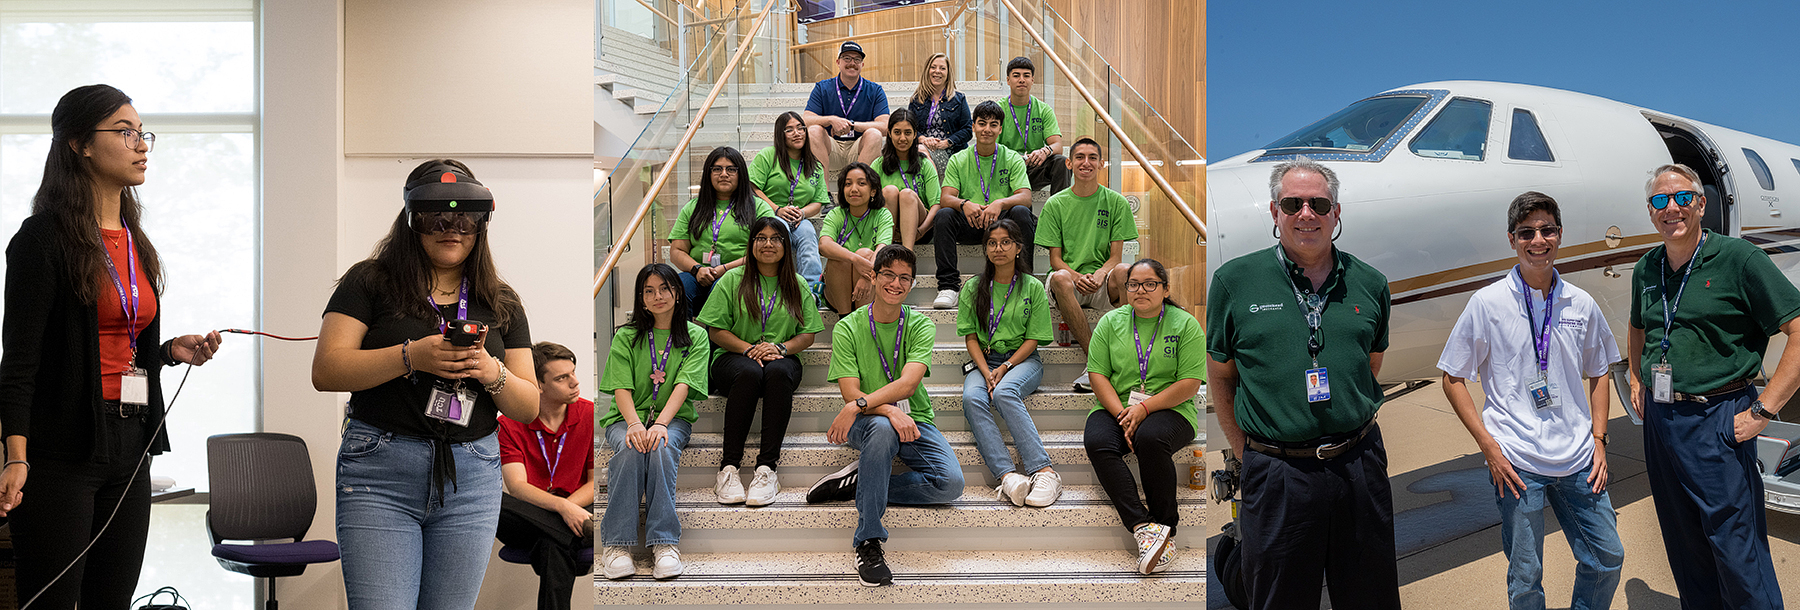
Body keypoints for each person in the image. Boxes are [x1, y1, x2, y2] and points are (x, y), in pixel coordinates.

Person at [0, 84, 224, 609]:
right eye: (124, 132)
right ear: (78, 143)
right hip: (62, 450)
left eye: (142, 132)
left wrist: (167, 351)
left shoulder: (134, 239)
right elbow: (19, 363)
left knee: (112, 601)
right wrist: (16, 457)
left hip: (131, 444)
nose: (140, 144)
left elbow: (119, 341)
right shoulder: (41, 239)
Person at [313, 158, 539, 608]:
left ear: (481, 226)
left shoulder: (501, 300)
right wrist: (411, 355)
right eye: (435, 216)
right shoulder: (370, 281)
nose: (450, 227)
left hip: (471, 475)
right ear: (411, 222)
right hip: (380, 472)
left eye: (464, 218)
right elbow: (327, 370)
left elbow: (529, 405)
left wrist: (490, 371)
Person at [1206, 156, 1398, 609]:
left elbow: (1370, 362)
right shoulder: (1235, 281)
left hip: (1359, 465)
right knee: (1280, 599)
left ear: (1336, 214)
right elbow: (1222, 373)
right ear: (1275, 213)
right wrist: (1243, 449)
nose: (1306, 214)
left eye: (1318, 204)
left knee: (1371, 595)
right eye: (1293, 203)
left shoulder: (1370, 283)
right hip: (1278, 473)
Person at [1438, 191, 1624, 610]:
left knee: (1607, 557)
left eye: (1546, 230)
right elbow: (1452, 378)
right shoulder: (1487, 303)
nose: (1537, 240)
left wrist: (1599, 440)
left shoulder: (1581, 302)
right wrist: (1490, 449)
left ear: (1560, 235)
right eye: (1527, 233)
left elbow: (1599, 371)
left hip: (1578, 457)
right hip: (1517, 461)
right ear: (1512, 239)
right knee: (1525, 576)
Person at [1628, 163, 1794, 608]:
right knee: (1684, 544)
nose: (1672, 208)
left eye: (1683, 197)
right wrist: (1635, 375)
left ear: (1702, 204)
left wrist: (1764, 409)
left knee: (1736, 548)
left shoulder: (1740, 259)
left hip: (1719, 417)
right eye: (1660, 200)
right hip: (1663, 421)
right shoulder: (1647, 268)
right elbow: (1638, 327)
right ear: (1650, 211)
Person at [805, 245, 964, 587]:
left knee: (950, 484)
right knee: (880, 428)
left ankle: (864, 483)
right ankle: (868, 540)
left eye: (904, 277)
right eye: (888, 275)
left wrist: (863, 404)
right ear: (873, 277)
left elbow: (908, 383)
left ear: (911, 283)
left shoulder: (920, 325)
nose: (896, 283)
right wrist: (885, 409)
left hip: (914, 418)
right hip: (867, 422)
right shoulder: (848, 327)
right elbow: (851, 394)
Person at [1082, 258, 1203, 575]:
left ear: (1164, 289)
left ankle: (1166, 525)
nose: (1141, 290)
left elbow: (1189, 383)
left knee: (1150, 438)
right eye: (1133, 284)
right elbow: (1097, 375)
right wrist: (1124, 414)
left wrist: (1145, 408)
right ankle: (1143, 527)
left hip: (1171, 409)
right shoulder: (1110, 323)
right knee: (1097, 441)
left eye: (1150, 284)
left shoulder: (1184, 324)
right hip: (1116, 406)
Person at [698, 217, 825, 506]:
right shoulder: (732, 279)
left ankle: (767, 469)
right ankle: (728, 469)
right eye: (761, 238)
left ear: (786, 245)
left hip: (782, 357)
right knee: (750, 373)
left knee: (778, 372)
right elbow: (715, 330)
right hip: (733, 358)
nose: (768, 244)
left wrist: (780, 347)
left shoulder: (797, 284)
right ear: (751, 243)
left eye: (776, 238)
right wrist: (749, 350)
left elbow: (807, 335)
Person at [596, 264, 710, 581]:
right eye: (649, 290)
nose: (658, 296)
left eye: (665, 288)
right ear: (641, 298)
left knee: (659, 446)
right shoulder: (626, 335)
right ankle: (617, 545)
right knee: (632, 449)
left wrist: (659, 424)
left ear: (678, 292)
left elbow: (683, 386)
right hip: (626, 417)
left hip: (672, 420)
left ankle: (665, 543)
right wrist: (634, 424)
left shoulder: (696, 335)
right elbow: (621, 387)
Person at [956, 220, 1060, 506]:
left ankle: (1044, 470)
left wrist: (1005, 368)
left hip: (1022, 360)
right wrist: (987, 369)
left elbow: (1033, 340)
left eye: (1005, 242)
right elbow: (971, 339)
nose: (998, 248)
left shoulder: (1032, 287)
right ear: (985, 249)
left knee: (1004, 392)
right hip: (985, 361)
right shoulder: (974, 287)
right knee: (971, 397)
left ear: (1018, 248)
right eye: (992, 242)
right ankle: (1008, 477)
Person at [495, 342, 597, 610]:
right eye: (562, 378)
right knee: (489, 499)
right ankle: (580, 533)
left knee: (553, 542)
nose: (575, 382)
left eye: (573, 373)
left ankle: (563, 532)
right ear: (538, 385)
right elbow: (516, 487)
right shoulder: (509, 423)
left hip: (577, 511)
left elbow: (593, 482)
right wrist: (562, 510)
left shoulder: (589, 414)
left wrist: (570, 508)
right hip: (534, 516)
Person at [1038, 137, 1136, 392]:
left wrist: (1102, 274)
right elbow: (1055, 259)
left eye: (1093, 157)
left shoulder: (1116, 202)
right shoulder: (1055, 204)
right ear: (1069, 163)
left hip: (1101, 280)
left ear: (1102, 164)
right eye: (1080, 157)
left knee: (1126, 270)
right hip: (1067, 282)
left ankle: (1127, 355)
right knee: (1059, 276)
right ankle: (1096, 361)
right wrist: (1078, 276)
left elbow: (1116, 257)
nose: (1086, 162)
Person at [930, 100, 1035, 309]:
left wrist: (1000, 203)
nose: (987, 129)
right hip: (972, 221)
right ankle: (948, 286)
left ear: (1000, 129)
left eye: (993, 124)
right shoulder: (959, 159)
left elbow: (1025, 196)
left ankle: (1023, 282)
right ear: (973, 127)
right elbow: (946, 198)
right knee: (943, 216)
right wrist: (965, 204)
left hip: (1001, 225)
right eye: (982, 123)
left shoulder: (1012, 158)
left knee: (1022, 212)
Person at [668, 146, 775, 315]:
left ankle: (715, 342)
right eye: (717, 169)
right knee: (679, 288)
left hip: (742, 274)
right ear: (708, 174)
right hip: (699, 274)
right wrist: (697, 269)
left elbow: (767, 252)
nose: (724, 174)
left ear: (741, 174)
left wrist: (724, 269)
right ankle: (684, 341)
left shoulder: (759, 208)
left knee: (721, 287)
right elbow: (677, 251)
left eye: (731, 169)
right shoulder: (693, 207)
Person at [747, 111, 827, 284]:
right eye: (789, 130)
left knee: (808, 232)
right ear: (780, 135)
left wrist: (802, 213)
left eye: (800, 128)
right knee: (779, 231)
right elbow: (753, 188)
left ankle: (811, 289)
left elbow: (818, 203)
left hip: (799, 217)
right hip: (770, 214)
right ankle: (779, 284)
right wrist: (777, 209)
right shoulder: (768, 156)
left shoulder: (815, 165)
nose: (797, 133)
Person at [818, 162, 896, 315]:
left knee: (866, 253)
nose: (853, 189)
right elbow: (823, 245)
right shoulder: (836, 214)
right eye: (848, 184)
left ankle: (862, 322)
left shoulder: (882, 214)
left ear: (873, 191)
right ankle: (845, 318)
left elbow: (883, 249)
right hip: (837, 293)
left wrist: (866, 276)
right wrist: (855, 259)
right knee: (840, 257)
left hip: (871, 286)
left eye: (861, 183)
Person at [803, 41, 889, 171]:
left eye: (857, 59)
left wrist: (852, 126)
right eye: (847, 58)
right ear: (838, 62)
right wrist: (831, 120)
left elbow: (886, 126)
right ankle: (824, 191)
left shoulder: (875, 90)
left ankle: (861, 188)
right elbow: (805, 120)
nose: (852, 63)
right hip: (830, 148)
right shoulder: (822, 88)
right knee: (814, 131)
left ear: (862, 64)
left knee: (874, 134)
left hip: (859, 148)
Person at [996, 56, 1068, 195]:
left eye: (1026, 76)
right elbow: (991, 147)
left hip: (1035, 167)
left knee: (1061, 162)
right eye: (1016, 75)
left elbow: (1057, 145)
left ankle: (1060, 208)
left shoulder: (1043, 109)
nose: (1021, 80)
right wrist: (1017, 158)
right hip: (1007, 169)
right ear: (1008, 80)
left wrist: (1044, 151)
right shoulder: (998, 109)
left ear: (1032, 80)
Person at [870, 109, 939, 248]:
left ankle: (908, 256)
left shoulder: (924, 164)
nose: (902, 138)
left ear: (915, 134)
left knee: (907, 194)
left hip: (920, 229)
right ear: (889, 133)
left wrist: (921, 230)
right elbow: (869, 202)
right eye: (897, 132)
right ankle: (886, 254)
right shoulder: (878, 164)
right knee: (889, 191)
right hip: (887, 229)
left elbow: (936, 205)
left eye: (907, 133)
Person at [907, 52, 971, 175]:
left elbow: (968, 130)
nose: (937, 71)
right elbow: (909, 127)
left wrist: (947, 142)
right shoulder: (916, 99)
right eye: (933, 67)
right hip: (924, 147)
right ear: (927, 71)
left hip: (952, 150)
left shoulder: (959, 99)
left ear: (948, 73)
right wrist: (923, 139)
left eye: (942, 68)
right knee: (920, 151)